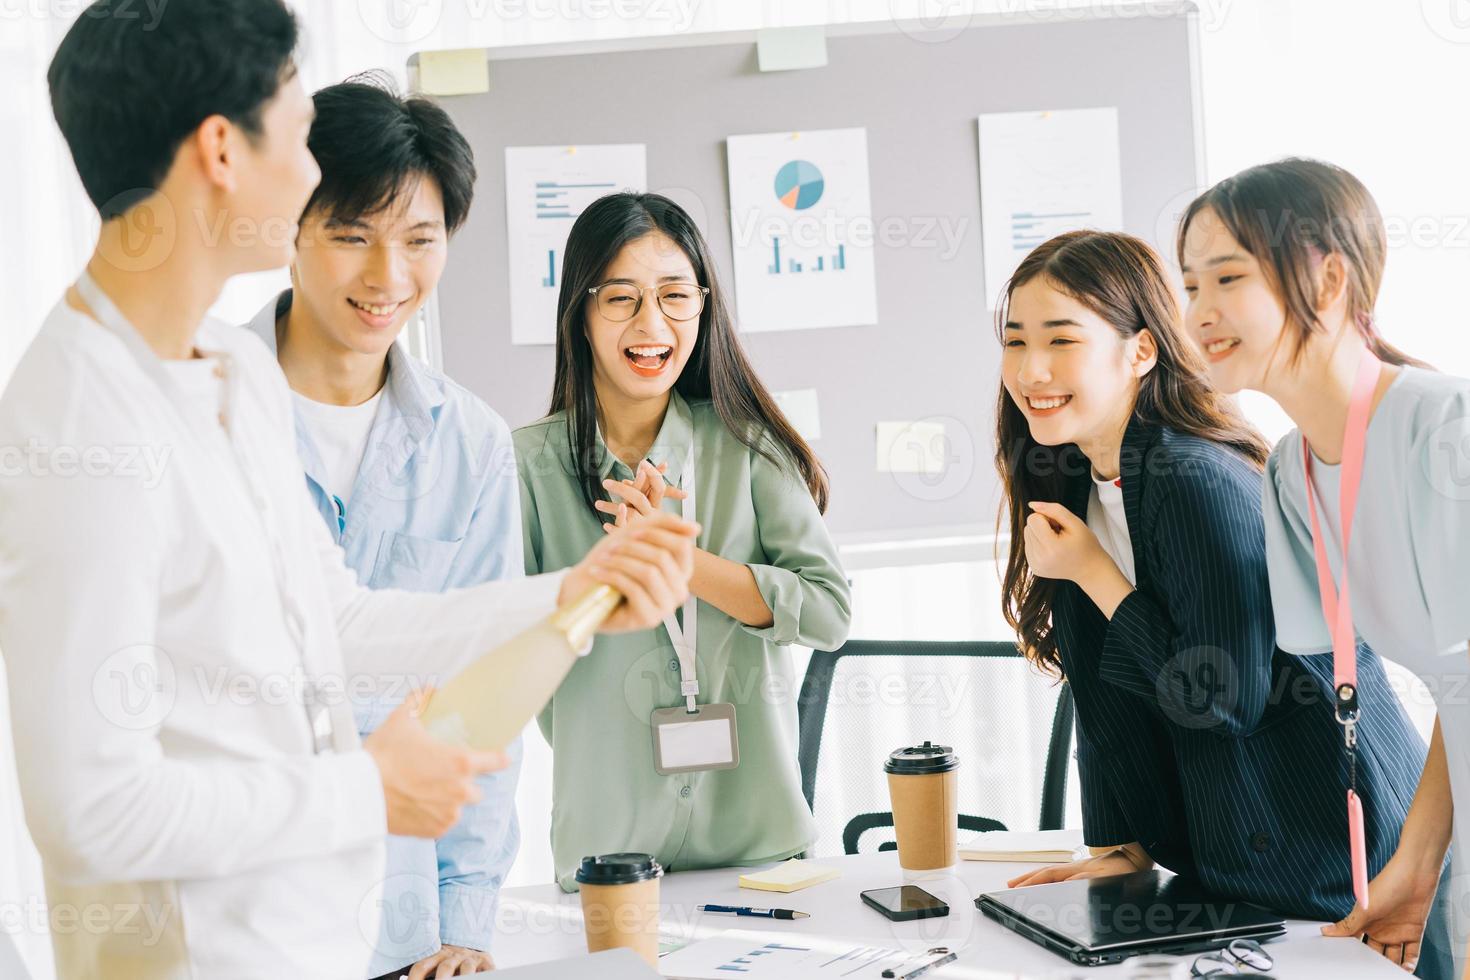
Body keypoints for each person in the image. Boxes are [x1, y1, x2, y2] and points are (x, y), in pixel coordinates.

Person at [0, 3, 696, 977]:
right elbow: (91, 812)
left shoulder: (226, 373)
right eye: (294, 130)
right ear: (220, 153)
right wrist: (368, 789)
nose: (313, 168)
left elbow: (341, 617)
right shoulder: (80, 420)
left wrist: (579, 589)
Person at [994, 230, 1450, 976]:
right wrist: (1118, 852)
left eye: (1060, 340)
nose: (1030, 369)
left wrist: (1093, 574)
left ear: (1140, 352)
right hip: (1228, 870)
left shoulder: (1190, 476)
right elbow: (1103, 697)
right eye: (1014, 342)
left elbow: (1220, 700)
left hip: (1328, 864)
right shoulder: (1071, 479)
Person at [242, 76, 521, 979]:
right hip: (242, 923)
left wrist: (466, 917)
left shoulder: (471, 445)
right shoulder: (199, 411)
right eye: (352, 235)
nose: (387, 277)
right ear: (290, 227)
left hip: (404, 936)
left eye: (420, 241)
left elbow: (485, 697)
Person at [1179, 157, 1468, 976]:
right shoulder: (1290, 471)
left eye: (1225, 277)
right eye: (1190, 285)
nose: (1198, 311)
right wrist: (1416, 865)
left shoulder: (1446, 427)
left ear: (1330, 276)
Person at [514, 192, 851, 889]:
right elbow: (507, 655)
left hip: (761, 852)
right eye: (621, 299)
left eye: (675, 296)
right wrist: (608, 583)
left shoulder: (747, 448)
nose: (652, 324)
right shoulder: (524, 466)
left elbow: (827, 613)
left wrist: (683, 562)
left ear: (703, 305)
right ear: (580, 311)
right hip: (607, 858)